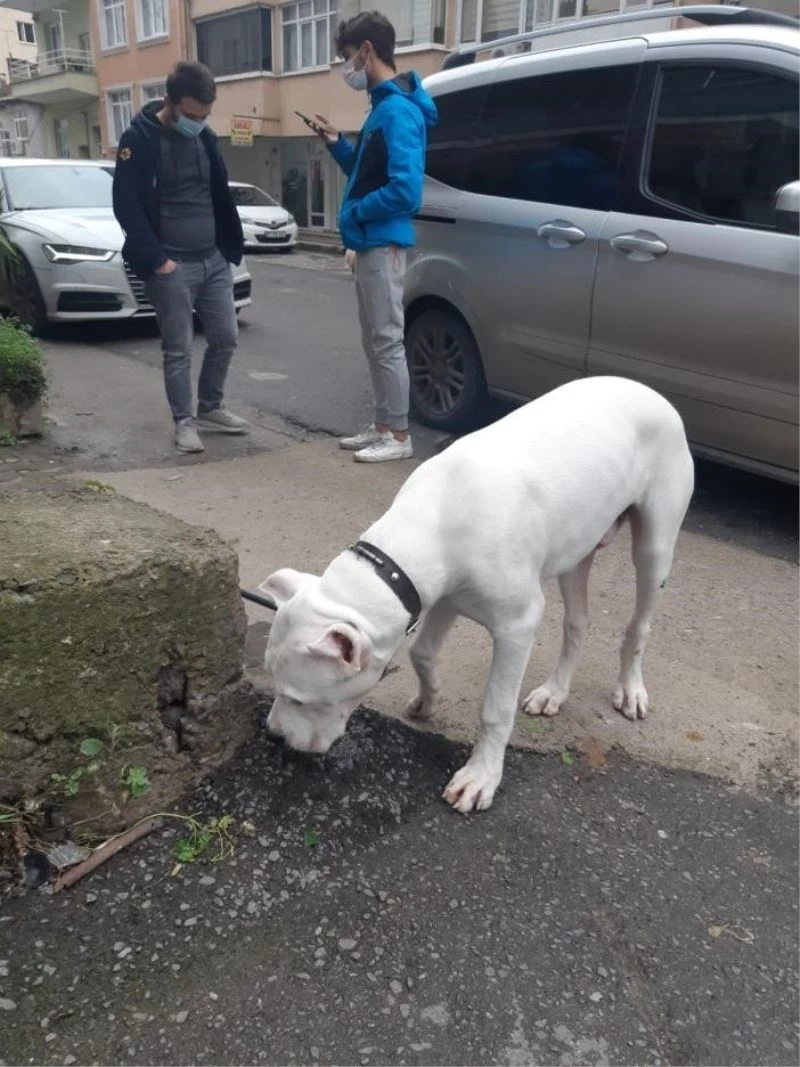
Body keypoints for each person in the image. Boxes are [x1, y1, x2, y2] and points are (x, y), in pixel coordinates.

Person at [315, 12, 437, 463]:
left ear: (367, 51)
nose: (346, 68)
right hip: (371, 241)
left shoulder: (397, 111)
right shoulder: (384, 107)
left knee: (387, 340)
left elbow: (406, 190)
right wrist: (336, 143)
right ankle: (384, 425)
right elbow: (367, 176)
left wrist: (358, 214)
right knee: (376, 341)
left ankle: (399, 438)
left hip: (381, 241)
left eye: (347, 59)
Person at [112, 61, 248, 454]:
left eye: (205, 116)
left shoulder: (204, 137)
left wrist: (226, 248)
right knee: (179, 346)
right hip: (171, 264)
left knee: (225, 337)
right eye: (191, 115)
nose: (199, 122)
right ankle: (183, 421)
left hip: (213, 258)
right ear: (170, 101)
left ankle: (211, 406)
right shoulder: (138, 139)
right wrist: (157, 259)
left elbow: (217, 192)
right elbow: (126, 204)